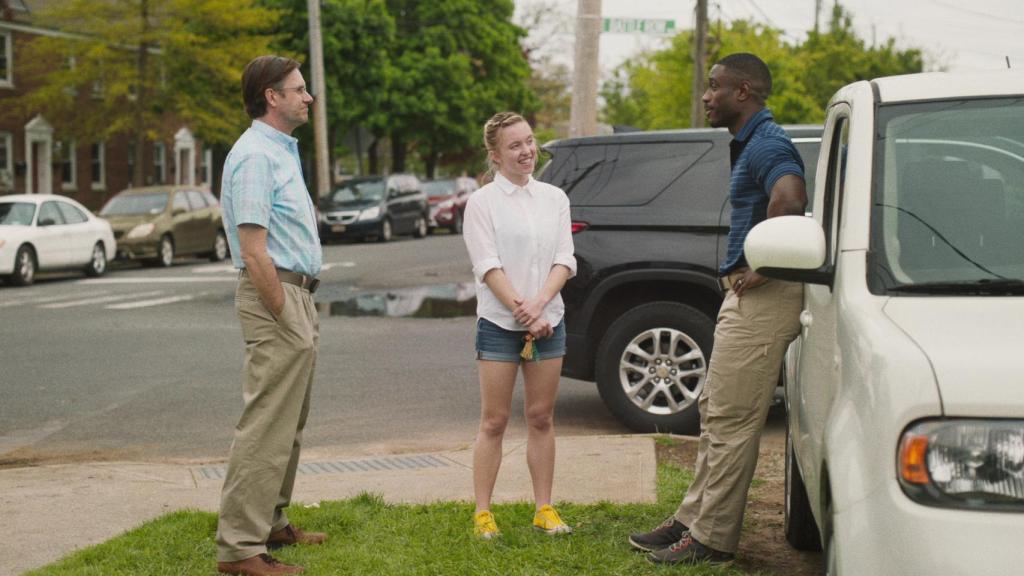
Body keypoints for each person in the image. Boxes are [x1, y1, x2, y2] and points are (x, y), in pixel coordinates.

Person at [629, 53, 807, 565]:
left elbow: (790, 199)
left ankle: (712, 540)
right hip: (747, 295)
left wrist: (764, 264)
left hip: (764, 298)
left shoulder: (769, 143)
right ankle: (691, 519)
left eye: (714, 87)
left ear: (743, 92)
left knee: (731, 421)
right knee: (715, 412)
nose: (706, 96)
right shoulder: (753, 143)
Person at [215, 55, 325, 576]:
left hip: (295, 293)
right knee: (265, 426)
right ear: (271, 97)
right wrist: (284, 312)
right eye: (299, 90)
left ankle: (272, 523)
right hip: (274, 294)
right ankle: (239, 549)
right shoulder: (256, 156)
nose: (308, 98)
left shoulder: (279, 151)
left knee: (289, 423)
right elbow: (254, 248)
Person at [462, 112, 577, 539]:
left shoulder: (554, 198)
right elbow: (486, 264)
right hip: (499, 323)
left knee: (541, 417)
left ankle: (544, 508)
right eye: (515, 145)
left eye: (529, 141)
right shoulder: (482, 203)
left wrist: (542, 305)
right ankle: (483, 513)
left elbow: (565, 258)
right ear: (495, 155)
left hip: (550, 321)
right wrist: (521, 309)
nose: (527, 151)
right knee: (493, 421)